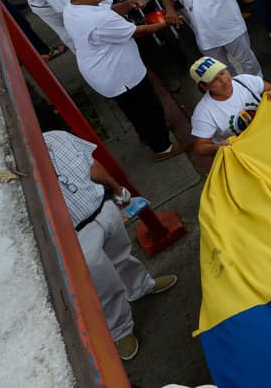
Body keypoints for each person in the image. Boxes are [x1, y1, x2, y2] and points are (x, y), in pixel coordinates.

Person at [42, 130, 177, 362]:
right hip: (76, 234)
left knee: (123, 257)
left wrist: (116, 189)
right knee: (105, 285)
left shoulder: (56, 137)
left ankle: (141, 287)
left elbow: (92, 165)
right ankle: (121, 330)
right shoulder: (20, 175)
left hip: (103, 207)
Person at [58, 0, 176, 160]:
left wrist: (128, 5)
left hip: (103, 72)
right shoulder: (98, 20)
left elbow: (107, 10)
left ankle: (147, 135)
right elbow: (138, 31)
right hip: (121, 75)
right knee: (149, 108)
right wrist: (168, 22)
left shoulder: (72, 7)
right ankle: (163, 149)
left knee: (134, 111)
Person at [187, 57, 271, 158]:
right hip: (246, 153)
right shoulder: (203, 113)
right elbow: (201, 148)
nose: (224, 80)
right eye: (215, 79)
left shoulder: (245, 81)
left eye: (222, 73)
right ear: (204, 87)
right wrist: (217, 147)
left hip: (270, 132)